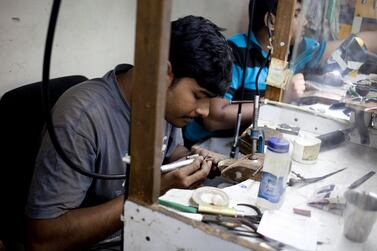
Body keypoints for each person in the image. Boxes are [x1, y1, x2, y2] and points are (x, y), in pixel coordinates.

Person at [25, 15, 233, 251]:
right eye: (199, 96)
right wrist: (154, 190)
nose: (205, 112)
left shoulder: (163, 108)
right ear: (163, 72)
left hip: (145, 230)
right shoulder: (81, 118)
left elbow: (170, 151)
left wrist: (192, 161)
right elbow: (42, 239)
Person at [183, 0, 377, 147]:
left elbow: (348, 45)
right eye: (297, 15)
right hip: (211, 144)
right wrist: (280, 98)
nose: (305, 21)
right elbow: (213, 118)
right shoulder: (235, 53)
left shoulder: (293, 49)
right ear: (272, 21)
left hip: (249, 142)